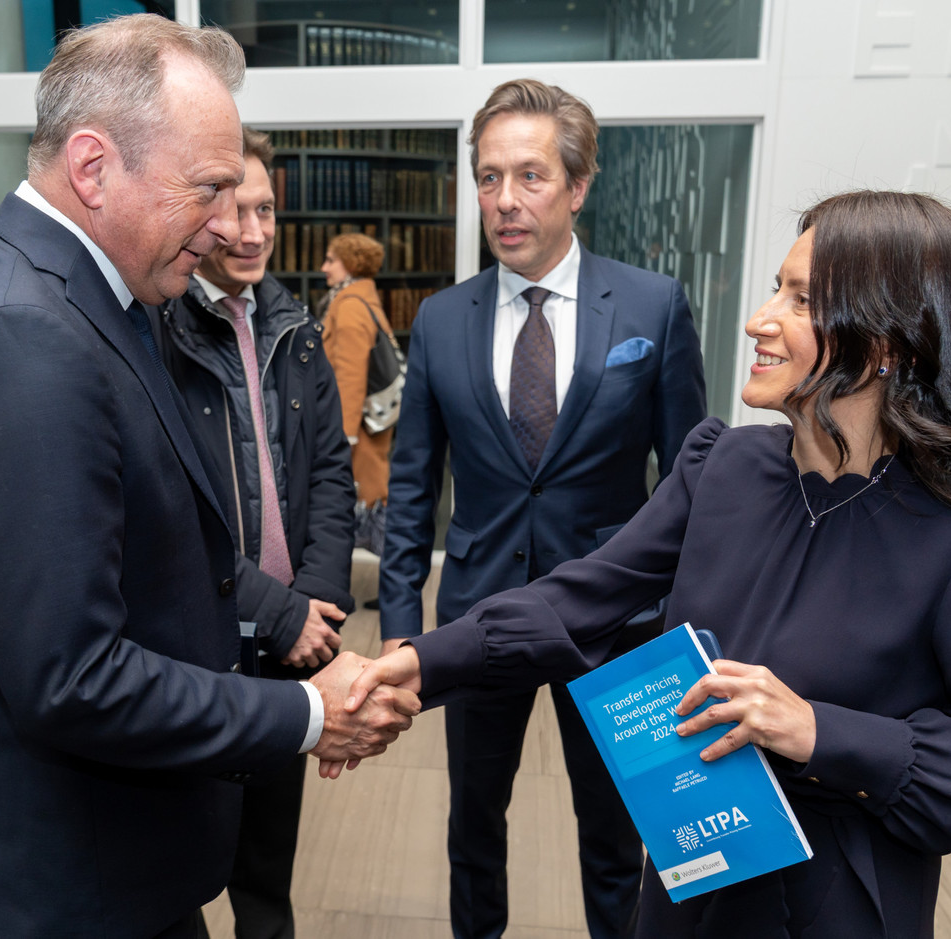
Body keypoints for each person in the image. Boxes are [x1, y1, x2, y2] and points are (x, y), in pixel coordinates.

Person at [350, 190, 951, 939]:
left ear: (887, 343)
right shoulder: (724, 464)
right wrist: (419, 661)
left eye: (800, 300)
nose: (760, 318)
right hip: (690, 882)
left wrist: (816, 731)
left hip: (834, 905)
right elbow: (581, 597)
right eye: (776, 288)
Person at [0, 17, 417, 939]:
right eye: (207, 189)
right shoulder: (25, 338)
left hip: (122, 856)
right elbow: (73, 677)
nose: (227, 225)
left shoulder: (100, 296)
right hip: (74, 880)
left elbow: (166, 539)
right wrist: (300, 712)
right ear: (94, 168)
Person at [378, 79, 708, 939]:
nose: (505, 201)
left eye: (529, 176)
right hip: (480, 615)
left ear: (578, 185)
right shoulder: (442, 320)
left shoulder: (652, 306)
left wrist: (690, 622)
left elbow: (689, 484)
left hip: (619, 624)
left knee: (615, 833)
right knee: (472, 829)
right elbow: (414, 485)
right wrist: (401, 624)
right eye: (489, 178)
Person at [155, 127, 355, 939]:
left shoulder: (296, 327)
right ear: (198, 214)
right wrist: (279, 609)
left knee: (269, 871)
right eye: (231, 209)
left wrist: (317, 603)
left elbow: (334, 473)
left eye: (265, 208)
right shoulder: (159, 334)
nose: (250, 230)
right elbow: (171, 510)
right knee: (183, 857)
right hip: (202, 639)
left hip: (292, 643)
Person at [318, 232, 396, 523]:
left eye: (331, 260)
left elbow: (350, 376)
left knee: (368, 506)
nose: (324, 268)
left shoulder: (349, 305)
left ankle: (389, 564)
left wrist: (344, 436)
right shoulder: (360, 297)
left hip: (358, 429)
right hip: (366, 424)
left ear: (350, 264)